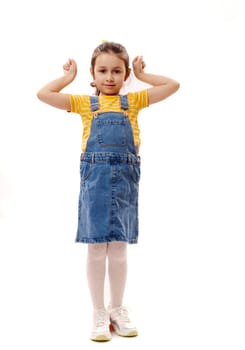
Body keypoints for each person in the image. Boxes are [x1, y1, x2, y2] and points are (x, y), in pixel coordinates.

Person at [37, 41, 179, 342]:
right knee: (95, 248)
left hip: (126, 184)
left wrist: (144, 75)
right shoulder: (85, 105)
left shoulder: (135, 101)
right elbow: (44, 94)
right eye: (102, 70)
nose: (110, 77)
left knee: (118, 249)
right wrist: (67, 78)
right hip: (96, 184)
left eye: (117, 71)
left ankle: (117, 308)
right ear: (93, 72)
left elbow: (173, 84)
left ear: (126, 74)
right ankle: (99, 311)